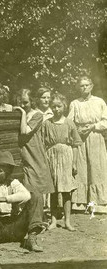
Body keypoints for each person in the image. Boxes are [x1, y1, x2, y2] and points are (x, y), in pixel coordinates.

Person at [0, 151, 47, 256]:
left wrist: (2, 199)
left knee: (36, 195)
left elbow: (26, 196)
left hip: (15, 228)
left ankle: (31, 238)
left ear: (8, 172)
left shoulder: (13, 182)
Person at [42, 93, 82, 231]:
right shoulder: (47, 123)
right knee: (53, 190)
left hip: (66, 157)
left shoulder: (69, 123)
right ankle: (53, 220)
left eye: (59, 106)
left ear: (64, 106)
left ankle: (67, 221)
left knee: (66, 191)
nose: (56, 109)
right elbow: (42, 143)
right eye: (53, 106)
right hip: (51, 157)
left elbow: (76, 144)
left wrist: (74, 163)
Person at [67, 76, 107, 206]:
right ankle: (80, 201)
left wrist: (93, 126)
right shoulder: (75, 103)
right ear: (78, 87)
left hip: (95, 136)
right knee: (81, 166)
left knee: (96, 167)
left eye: (86, 85)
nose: (84, 88)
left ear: (91, 86)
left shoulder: (99, 102)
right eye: (81, 85)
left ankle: (98, 201)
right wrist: (76, 130)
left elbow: (105, 121)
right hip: (80, 138)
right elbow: (69, 122)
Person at [14, 89, 54, 195]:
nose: (22, 105)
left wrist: (22, 113)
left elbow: (24, 131)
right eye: (20, 102)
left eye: (25, 102)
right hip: (20, 152)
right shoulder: (15, 113)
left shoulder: (37, 115)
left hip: (33, 151)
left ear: (32, 101)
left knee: (35, 182)